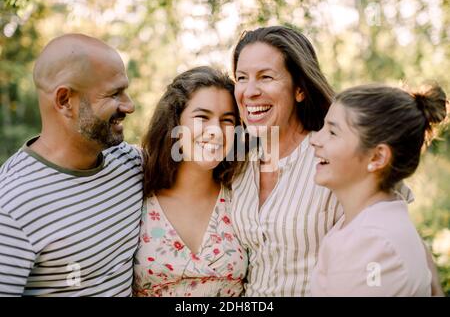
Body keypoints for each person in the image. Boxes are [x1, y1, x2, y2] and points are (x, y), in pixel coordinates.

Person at [230, 25, 441, 297]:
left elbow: (397, 233)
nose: (250, 91)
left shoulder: (334, 161)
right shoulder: (238, 163)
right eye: (241, 78)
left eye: (266, 77)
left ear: (300, 89)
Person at [0, 34, 142, 296]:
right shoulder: (11, 205)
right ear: (65, 101)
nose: (129, 105)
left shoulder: (132, 164)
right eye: (114, 93)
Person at [310, 84, 448, 296]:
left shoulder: (372, 245)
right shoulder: (369, 227)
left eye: (332, 132)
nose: (315, 140)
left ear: (377, 157)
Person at [133, 66, 248, 297]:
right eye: (202, 117)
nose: (216, 130)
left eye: (227, 120)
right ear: (174, 123)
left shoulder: (242, 195)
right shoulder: (136, 192)